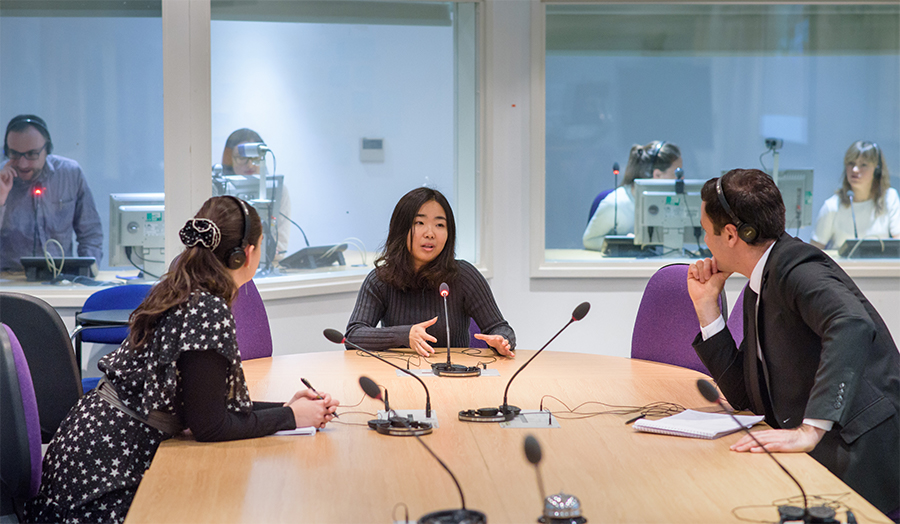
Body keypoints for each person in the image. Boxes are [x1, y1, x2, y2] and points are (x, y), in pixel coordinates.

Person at [24, 196, 339, 523]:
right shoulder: (208, 309)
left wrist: (285, 408)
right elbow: (209, 426)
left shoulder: (181, 287)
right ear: (246, 254)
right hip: (104, 482)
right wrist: (290, 417)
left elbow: (203, 403)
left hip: (87, 453)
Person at [686, 168, 899, 516]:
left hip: (863, 452)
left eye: (705, 231)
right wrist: (707, 307)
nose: (705, 242)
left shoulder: (798, 268)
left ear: (731, 235)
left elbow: (852, 323)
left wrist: (810, 429)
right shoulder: (762, 279)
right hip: (825, 453)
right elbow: (743, 395)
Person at [346, 187, 516, 357]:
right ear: (401, 228)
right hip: (400, 370)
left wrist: (502, 340)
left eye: (439, 225)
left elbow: (500, 328)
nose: (430, 234)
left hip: (453, 371)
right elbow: (353, 336)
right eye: (419, 223)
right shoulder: (381, 280)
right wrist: (404, 335)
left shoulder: (464, 276)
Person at [0, 114, 103, 270]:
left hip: (61, 276)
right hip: (10, 277)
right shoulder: (1, 179)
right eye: (14, 154)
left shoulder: (70, 174)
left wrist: (87, 272)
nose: (23, 164)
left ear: (47, 150)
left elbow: (90, 233)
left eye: (31, 154)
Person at [583, 141, 682, 250]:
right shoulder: (615, 204)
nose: (681, 178)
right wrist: (626, 244)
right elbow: (589, 240)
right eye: (676, 174)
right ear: (657, 174)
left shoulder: (668, 202)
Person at [217, 128, 291, 263]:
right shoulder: (217, 191)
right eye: (242, 158)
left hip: (268, 265)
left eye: (255, 158)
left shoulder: (278, 191)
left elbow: (280, 248)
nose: (250, 164)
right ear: (229, 159)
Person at [811, 141, 899, 250]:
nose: (855, 170)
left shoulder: (889, 198)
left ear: (876, 170)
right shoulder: (832, 206)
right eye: (851, 163)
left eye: (863, 165)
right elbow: (814, 251)